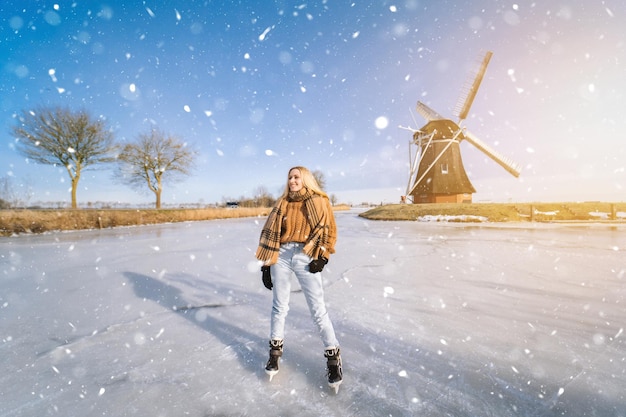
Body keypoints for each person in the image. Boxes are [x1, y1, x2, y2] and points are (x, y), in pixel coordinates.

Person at [255, 166, 343, 391]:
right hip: (282, 255)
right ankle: (275, 354)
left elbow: (330, 230)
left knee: (317, 310)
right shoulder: (282, 202)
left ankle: (333, 359)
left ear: (305, 179)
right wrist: (267, 265)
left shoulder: (319, 201)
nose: (292, 181)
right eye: (290, 177)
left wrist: (322, 256)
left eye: (296, 177)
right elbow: (270, 232)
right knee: (279, 307)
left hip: (306, 254)